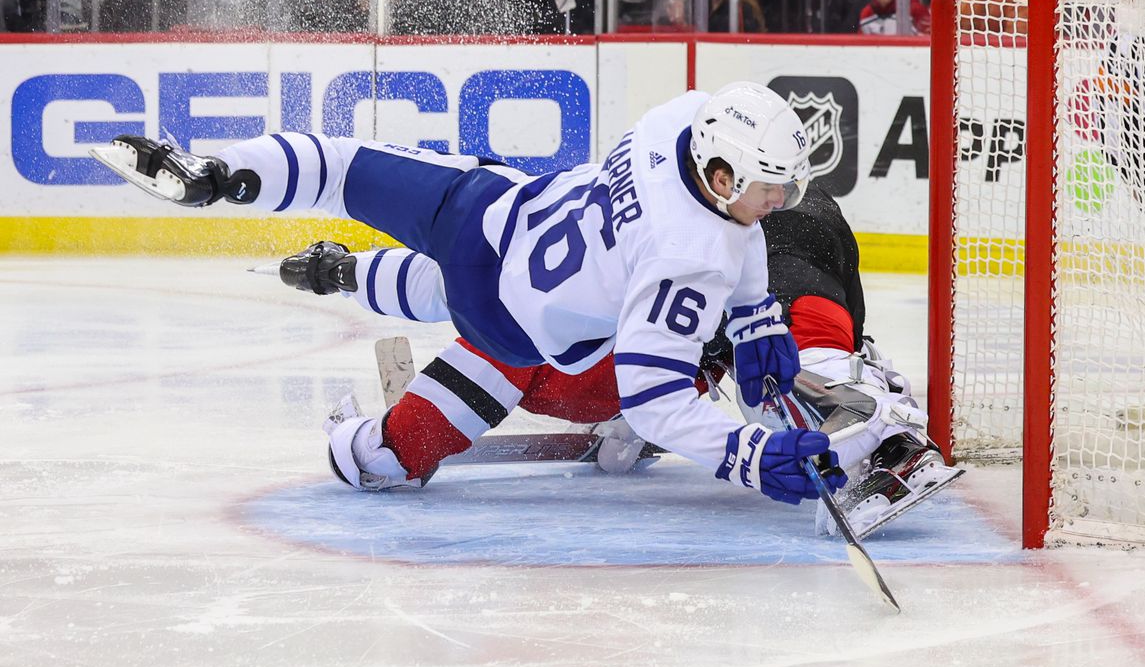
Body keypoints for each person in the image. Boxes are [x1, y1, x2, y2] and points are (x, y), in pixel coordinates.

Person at [91, 82, 855, 509]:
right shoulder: (691, 262)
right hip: (507, 330)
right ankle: (349, 421)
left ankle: (218, 176)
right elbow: (653, 397)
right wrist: (751, 454)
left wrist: (755, 317)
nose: (784, 197)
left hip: (487, 211)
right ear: (721, 177)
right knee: (383, 459)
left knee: (341, 164)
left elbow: (738, 230)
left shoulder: (679, 117)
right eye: (772, 184)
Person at [276, 186, 962, 539]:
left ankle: (853, 399)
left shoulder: (549, 248)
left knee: (791, 243)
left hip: (694, 344)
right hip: (669, 360)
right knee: (394, 451)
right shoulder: (507, 309)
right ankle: (856, 398)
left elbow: (428, 283)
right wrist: (344, 272)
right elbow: (425, 284)